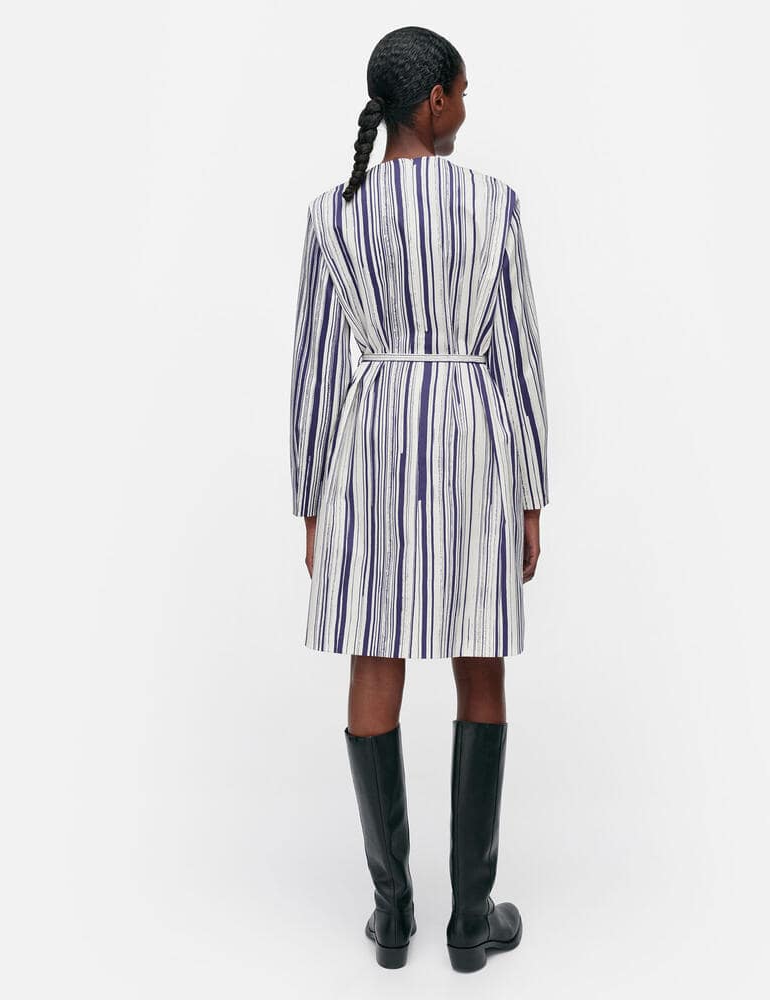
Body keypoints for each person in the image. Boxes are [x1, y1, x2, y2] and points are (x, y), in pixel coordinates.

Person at [289, 26, 549, 972]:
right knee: (480, 655)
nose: (467, 107)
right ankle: (470, 920)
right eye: (463, 92)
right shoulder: (492, 203)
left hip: (371, 440)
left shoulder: (334, 214)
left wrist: (311, 501)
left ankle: (392, 914)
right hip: (474, 436)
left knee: (376, 650)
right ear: (433, 101)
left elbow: (316, 368)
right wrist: (532, 490)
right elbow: (517, 353)